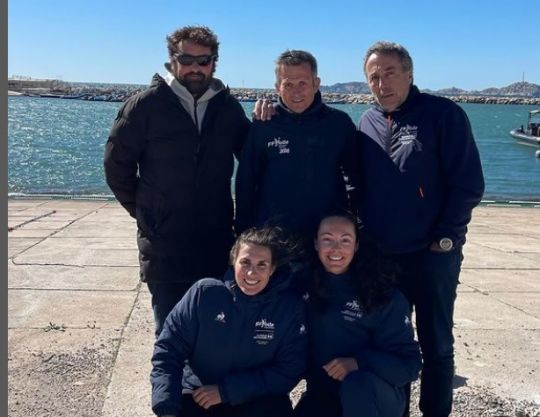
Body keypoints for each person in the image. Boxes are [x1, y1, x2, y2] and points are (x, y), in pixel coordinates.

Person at [357, 41, 485, 417]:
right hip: (383, 257)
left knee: (437, 345)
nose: (382, 83)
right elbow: (358, 183)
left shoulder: (443, 114)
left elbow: (468, 184)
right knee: (393, 345)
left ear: (410, 74)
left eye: (390, 73)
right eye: (374, 77)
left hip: (432, 256)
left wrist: (447, 237)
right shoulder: (367, 121)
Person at [104, 26, 250, 337]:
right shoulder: (145, 105)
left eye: (204, 60)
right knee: (170, 337)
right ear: (172, 61)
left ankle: (206, 388)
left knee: (214, 334)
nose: (196, 68)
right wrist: (148, 212)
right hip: (164, 246)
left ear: (214, 63)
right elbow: (117, 168)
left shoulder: (227, 108)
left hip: (215, 242)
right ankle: (170, 388)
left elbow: (253, 158)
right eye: (187, 59)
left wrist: (272, 121)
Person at [150, 226, 307, 417]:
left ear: (272, 269)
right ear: (233, 261)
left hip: (257, 397)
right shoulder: (204, 294)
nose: (251, 273)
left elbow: (289, 369)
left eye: (262, 265)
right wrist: (166, 406)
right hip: (200, 393)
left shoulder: (288, 308)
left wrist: (226, 391)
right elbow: (168, 351)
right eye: (245, 262)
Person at [293, 211, 422, 417]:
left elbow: (410, 366)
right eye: (328, 239)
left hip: (372, 394)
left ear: (356, 246)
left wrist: (358, 363)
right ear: (316, 243)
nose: (336, 248)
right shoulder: (301, 284)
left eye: (345, 240)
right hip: (325, 393)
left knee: (357, 384)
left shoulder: (382, 294)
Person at [235, 49, 360, 257]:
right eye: (288, 84)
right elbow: (246, 181)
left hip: (325, 240)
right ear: (277, 87)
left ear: (316, 83)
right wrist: (242, 232)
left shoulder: (339, 123)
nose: (296, 92)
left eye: (303, 83)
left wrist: (353, 222)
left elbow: (355, 177)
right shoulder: (264, 125)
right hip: (274, 241)